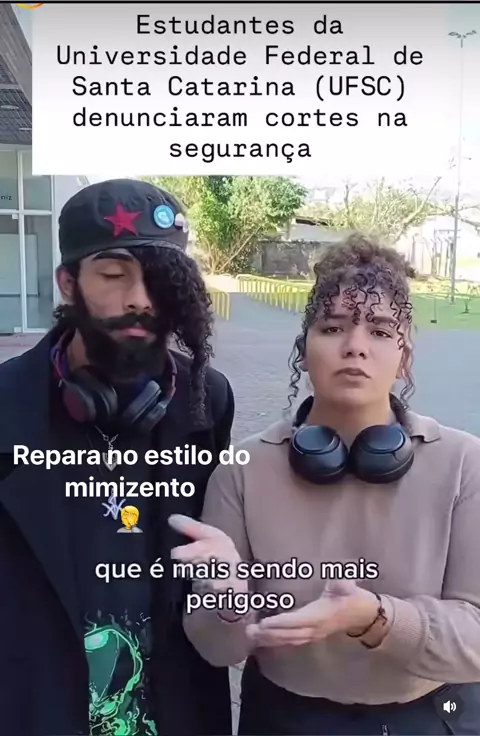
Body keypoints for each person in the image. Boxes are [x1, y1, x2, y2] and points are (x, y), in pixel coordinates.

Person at [170, 234, 480, 736]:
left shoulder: (464, 463)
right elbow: (215, 649)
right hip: (283, 718)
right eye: (333, 327)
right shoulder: (243, 469)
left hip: (429, 717)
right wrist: (226, 599)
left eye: (380, 331)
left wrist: (376, 618)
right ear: (303, 349)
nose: (355, 345)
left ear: (404, 356)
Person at [0, 179, 235, 736]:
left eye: (159, 278)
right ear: (67, 284)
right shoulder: (7, 404)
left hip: (175, 711)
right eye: (113, 275)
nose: (141, 299)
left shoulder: (207, 400)